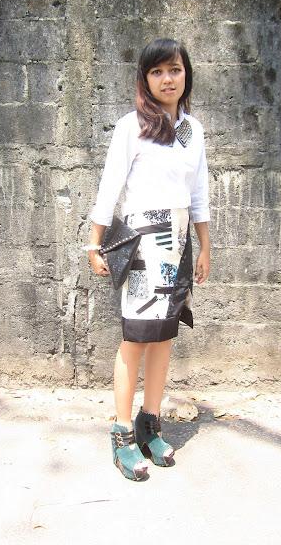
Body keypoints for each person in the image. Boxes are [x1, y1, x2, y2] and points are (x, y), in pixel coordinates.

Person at [86, 38, 210, 481]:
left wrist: (205, 245)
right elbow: (110, 186)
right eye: (157, 71)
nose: (167, 79)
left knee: (163, 337)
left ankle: (149, 423)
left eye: (175, 70)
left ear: (186, 75)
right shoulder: (131, 126)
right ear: (145, 79)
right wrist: (94, 243)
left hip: (178, 242)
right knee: (136, 337)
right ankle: (121, 433)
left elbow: (198, 192)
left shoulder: (193, 131)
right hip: (143, 244)